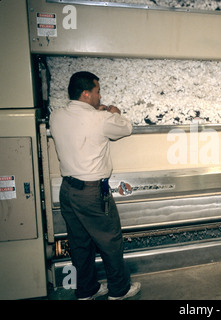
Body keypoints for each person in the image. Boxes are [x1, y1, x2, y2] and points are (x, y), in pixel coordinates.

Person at [50, 71, 141, 299]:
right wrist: (115, 113)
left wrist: (97, 112)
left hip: (68, 191)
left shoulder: (56, 116)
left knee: (80, 244)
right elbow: (125, 128)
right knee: (110, 241)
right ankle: (119, 290)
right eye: (98, 92)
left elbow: (82, 122)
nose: (100, 96)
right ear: (86, 93)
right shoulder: (102, 119)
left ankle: (86, 290)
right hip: (92, 193)